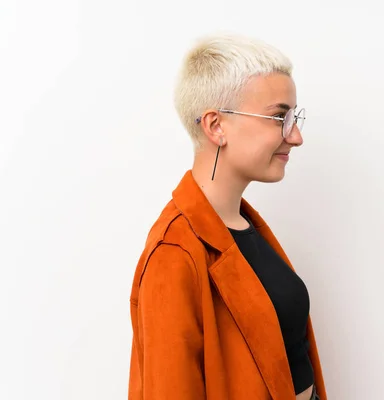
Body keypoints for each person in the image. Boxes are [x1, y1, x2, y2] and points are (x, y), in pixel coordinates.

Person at [127, 33, 327, 400]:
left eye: (294, 117)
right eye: (279, 117)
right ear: (215, 126)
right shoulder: (176, 252)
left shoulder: (246, 225)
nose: (295, 136)